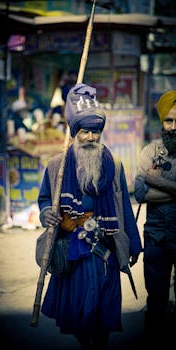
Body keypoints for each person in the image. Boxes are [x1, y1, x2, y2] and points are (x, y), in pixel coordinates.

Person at [37, 83, 143, 349]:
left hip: (105, 250)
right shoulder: (55, 167)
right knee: (81, 316)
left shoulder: (114, 164)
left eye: (95, 131)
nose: (90, 137)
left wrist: (133, 241)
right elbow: (44, 201)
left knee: (104, 315)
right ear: (74, 132)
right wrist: (48, 213)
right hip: (75, 252)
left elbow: (122, 206)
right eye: (84, 131)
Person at [134, 90, 176, 341]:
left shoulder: (152, 165)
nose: (173, 126)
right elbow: (140, 192)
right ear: (162, 122)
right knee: (156, 299)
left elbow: (148, 185)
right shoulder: (150, 151)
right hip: (156, 238)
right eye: (169, 120)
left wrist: (155, 179)